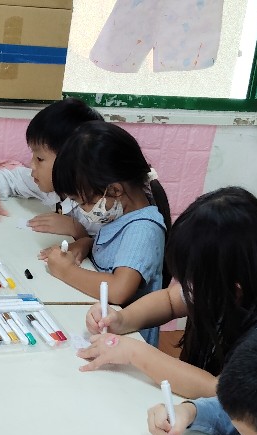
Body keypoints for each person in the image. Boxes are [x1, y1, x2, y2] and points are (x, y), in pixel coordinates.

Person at [77, 187, 257, 399]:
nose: (189, 289)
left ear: (235, 288)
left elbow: (223, 391)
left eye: (193, 281)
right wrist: (121, 319)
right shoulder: (230, 281)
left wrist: (135, 353)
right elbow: (170, 300)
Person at [38, 121, 171, 345]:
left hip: (126, 344)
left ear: (115, 190)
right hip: (102, 328)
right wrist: (86, 243)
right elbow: (114, 251)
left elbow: (119, 289)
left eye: (86, 203)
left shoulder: (143, 229)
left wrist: (66, 271)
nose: (83, 210)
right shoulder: (121, 214)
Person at [0, 98, 102, 239]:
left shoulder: (102, 209)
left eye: (39, 159)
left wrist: (77, 230)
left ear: (72, 163)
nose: (31, 165)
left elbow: (104, 250)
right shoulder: (51, 185)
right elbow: (8, 177)